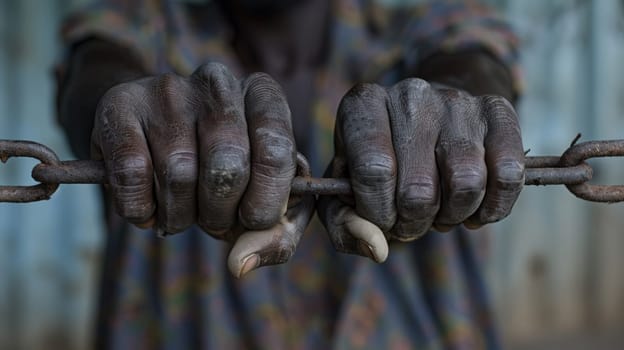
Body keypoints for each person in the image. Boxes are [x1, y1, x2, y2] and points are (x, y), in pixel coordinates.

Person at [56, 0, 525, 348]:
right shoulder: (143, 23)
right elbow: (97, 70)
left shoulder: (417, 19)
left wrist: (453, 106)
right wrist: (119, 113)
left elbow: (473, 62)